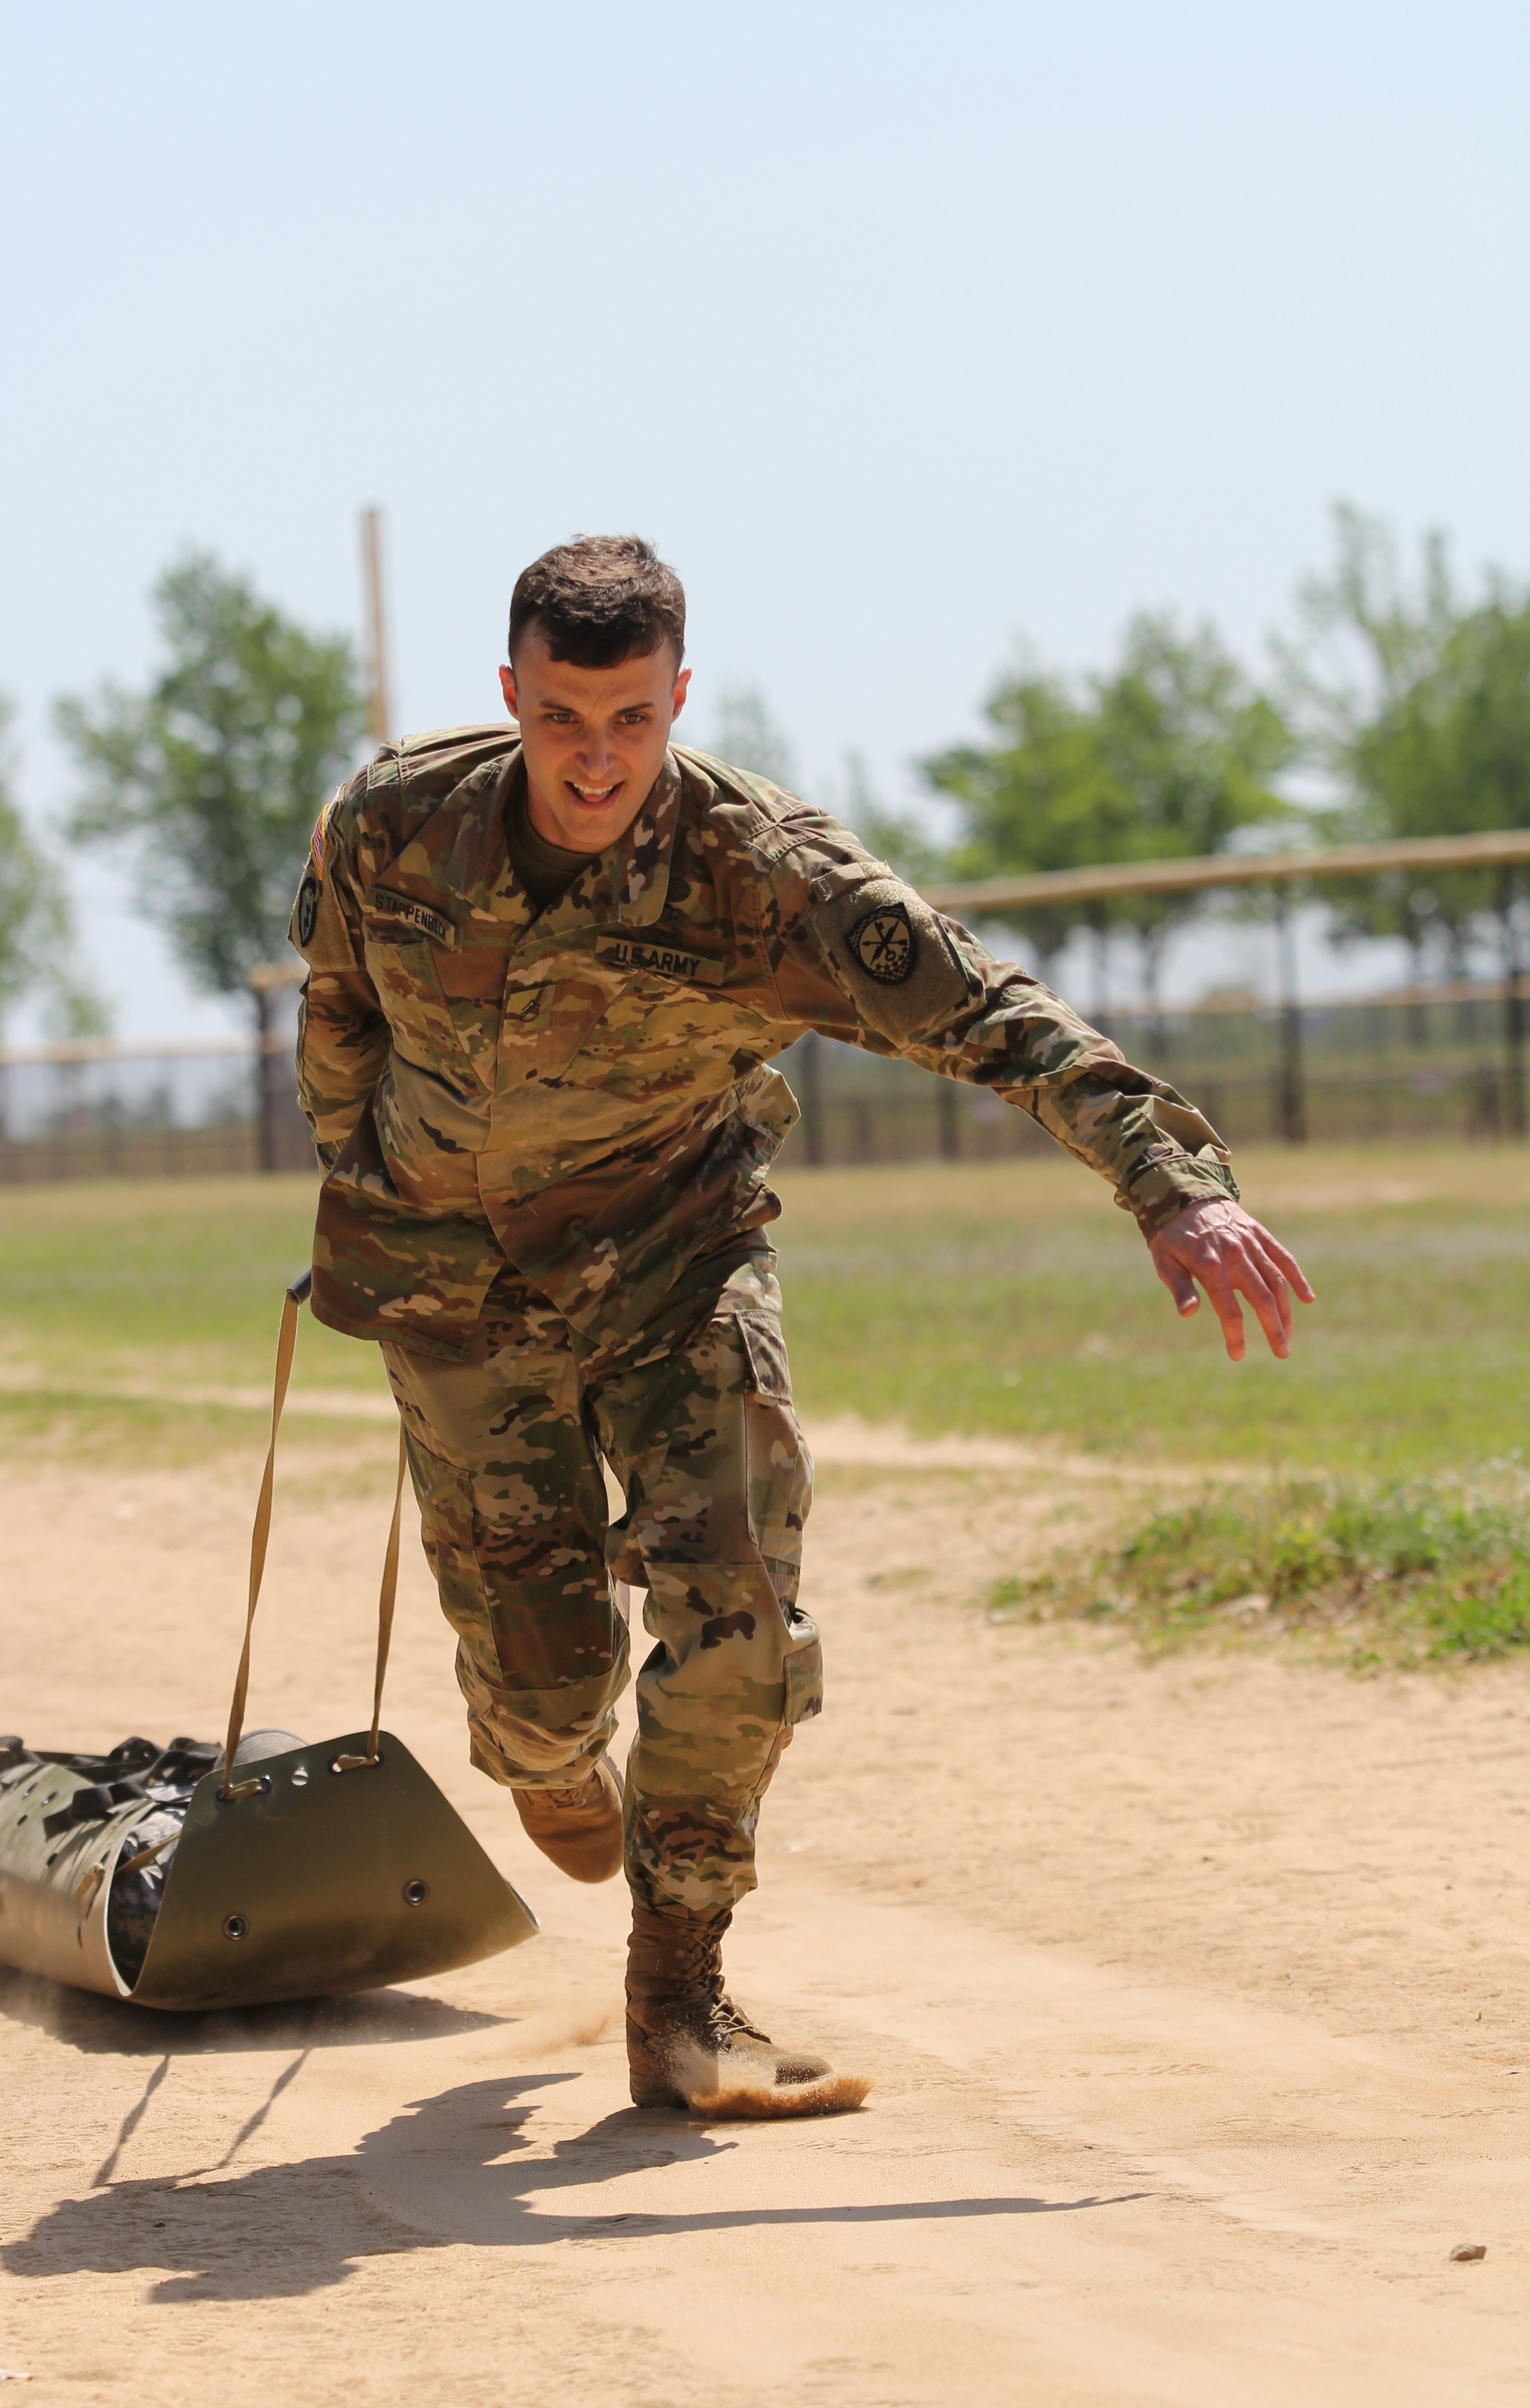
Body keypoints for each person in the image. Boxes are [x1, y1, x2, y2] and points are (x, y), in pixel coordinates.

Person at [288, 535, 1312, 2116]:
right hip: (454, 1286)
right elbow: (339, 997)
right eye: (564, 718)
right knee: (547, 1690)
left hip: (672, 1255)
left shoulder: (764, 875)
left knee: (743, 1610)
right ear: (510, 694)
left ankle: (680, 1997)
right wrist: (353, 1178)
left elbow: (986, 1009)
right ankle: (552, 1759)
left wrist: (1171, 1186)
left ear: (680, 697)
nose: (597, 759)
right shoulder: (392, 823)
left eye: (632, 719)